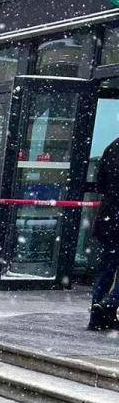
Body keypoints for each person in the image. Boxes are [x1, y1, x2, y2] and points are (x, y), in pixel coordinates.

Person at [89, 136, 119, 330]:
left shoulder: (113, 147)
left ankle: (97, 315)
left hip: (109, 217)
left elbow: (100, 183)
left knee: (106, 269)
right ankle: (109, 304)